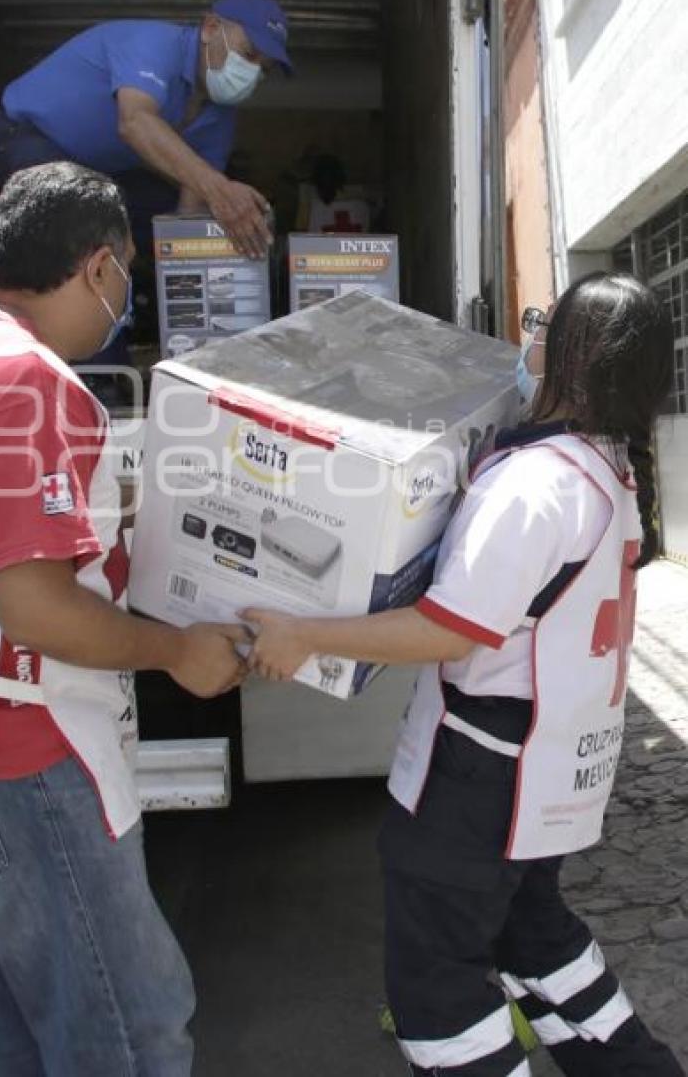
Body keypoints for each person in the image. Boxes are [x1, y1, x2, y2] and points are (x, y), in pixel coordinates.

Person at [0, 162, 247, 1077]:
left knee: (34, 1018)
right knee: (132, 1027)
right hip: (24, 756)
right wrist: (177, 650)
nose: (126, 294)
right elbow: (31, 605)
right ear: (100, 267)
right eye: (128, 270)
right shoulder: (27, 385)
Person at [243, 273, 684, 1076]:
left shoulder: (537, 483)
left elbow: (451, 629)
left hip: (479, 781)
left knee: (436, 998)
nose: (531, 331)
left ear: (575, 355)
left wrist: (303, 632)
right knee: (536, 939)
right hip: (540, 773)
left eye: (545, 319)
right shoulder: (609, 469)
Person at [0, 0, 293, 262]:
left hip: (99, 172)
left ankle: (149, 309)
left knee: (158, 215)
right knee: (73, 213)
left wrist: (185, 257)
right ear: (211, 29)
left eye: (263, 69)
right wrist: (222, 190)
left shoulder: (220, 115)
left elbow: (191, 198)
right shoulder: (154, 44)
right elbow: (135, 122)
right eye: (248, 54)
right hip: (25, 136)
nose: (252, 73)